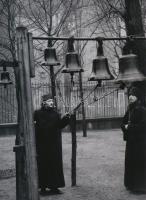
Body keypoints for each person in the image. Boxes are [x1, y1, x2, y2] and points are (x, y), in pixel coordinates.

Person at [34, 94, 70, 195]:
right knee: (43, 165)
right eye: (49, 101)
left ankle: (54, 187)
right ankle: (43, 188)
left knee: (55, 165)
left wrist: (66, 118)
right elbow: (38, 127)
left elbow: (59, 125)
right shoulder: (37, 113)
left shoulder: (55, 114)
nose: (52, 103)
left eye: (52, 101)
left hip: (54, 144)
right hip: (42, 144)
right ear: (44, 103)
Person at [121, 86, 146, 194]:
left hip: (140, 142)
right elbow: (123, 121)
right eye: (130, 95)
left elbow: (143, 126)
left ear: (138, 97)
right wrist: (124, 126)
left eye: (133, 95)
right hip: (131, 141)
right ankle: (130, 184)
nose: (130, 97)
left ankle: (140, 187)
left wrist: (129, 127)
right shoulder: (129, 108)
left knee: (139, 162)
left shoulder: (142, 109)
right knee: (130, 162)